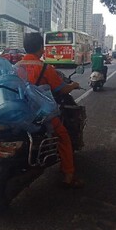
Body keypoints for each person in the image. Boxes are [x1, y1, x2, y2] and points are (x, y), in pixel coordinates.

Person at [16, 32, 84, 188]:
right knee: (63, 136)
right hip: (41, 113)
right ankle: (68, 174)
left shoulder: (17, 66)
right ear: (41, 47)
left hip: (20, 111)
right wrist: (73, 85)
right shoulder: (45, 67)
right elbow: (62, 89)